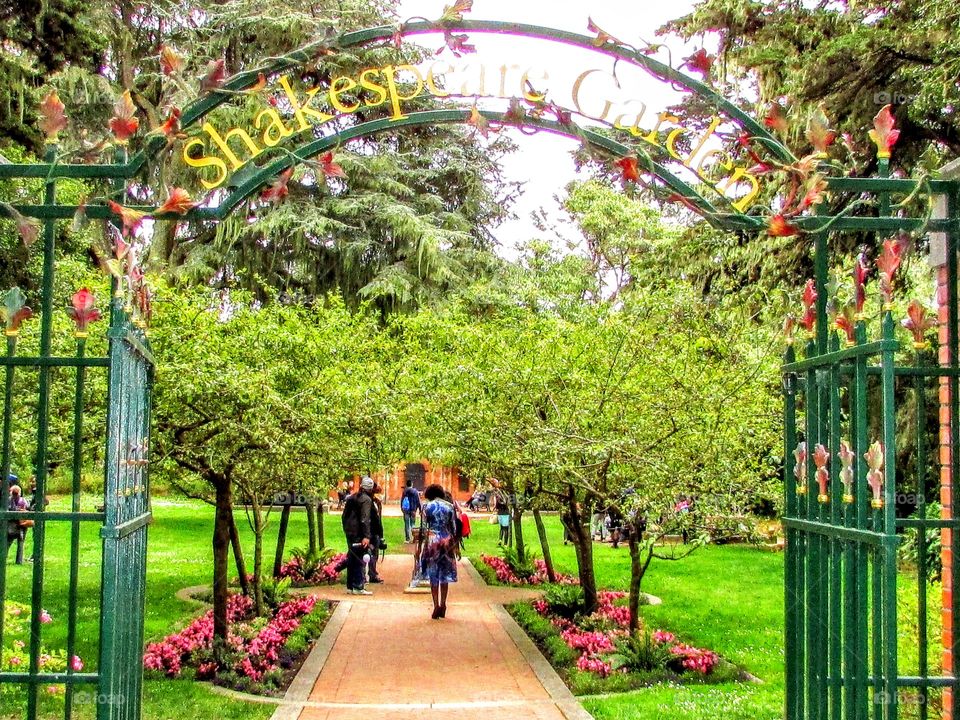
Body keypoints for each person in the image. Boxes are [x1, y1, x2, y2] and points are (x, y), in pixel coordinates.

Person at [420, 484, 458, 619]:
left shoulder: (427, 507)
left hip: (432, 541)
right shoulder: (450, 507)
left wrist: (421, 547)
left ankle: (435, 604)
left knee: (433, 574)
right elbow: (453, 528)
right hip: (446, 541)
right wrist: (455, 546)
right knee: (445, 573)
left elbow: (423, 529)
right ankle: (443, 603)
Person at [341, 476, 375, 595]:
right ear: (370, 488)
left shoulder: (352, 497)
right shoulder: (366, 500)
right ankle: (358, 585)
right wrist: (366, 536)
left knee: (352, 557)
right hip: (358, 533)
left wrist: (346, 529)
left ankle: (350, 585)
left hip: (349, 531)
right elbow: (365, 518)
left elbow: (344, 515)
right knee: (359, 557)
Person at [6, 485, 27, 565]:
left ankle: (18, 560)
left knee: (18, 543)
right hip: (15, 526)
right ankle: (16, 560)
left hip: (19, 526)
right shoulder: (9, 500)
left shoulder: (22, 501)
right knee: (9, 543)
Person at [368, 483, 384, 583]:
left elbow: (379, 519)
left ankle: (372, 573)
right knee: (371, 553)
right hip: (371, 531)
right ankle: (371, 575)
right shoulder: (368, 502)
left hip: (376, 531)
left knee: (374, 554)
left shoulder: (376, 502)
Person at [401, 479, 421, 543]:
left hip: (406, 510)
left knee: (406, 524)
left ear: (406, 484)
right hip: (413, 510)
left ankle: (407, 539)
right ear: (412, 484)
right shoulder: (415, 492)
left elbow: (402, 501)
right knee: (413, 524)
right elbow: (418, 501)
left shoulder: (404, 491)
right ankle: (414, 538)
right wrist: (420, 509)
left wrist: (402, 508)